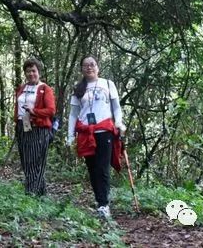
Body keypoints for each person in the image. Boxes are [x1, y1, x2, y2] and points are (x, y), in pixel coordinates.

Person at [67, 55, 126, 219]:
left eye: (92, 64)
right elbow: (73, 114)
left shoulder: (107, 84)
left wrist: (119, 123)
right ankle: (99, 199)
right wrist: (70, 135)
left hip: (104, 130)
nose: (89, 67)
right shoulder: (78, 87)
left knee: (102, 167)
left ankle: (104, 203)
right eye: (85, 65)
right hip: (86, 133)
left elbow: (116, 108)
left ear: (98, 67)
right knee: (92, 168)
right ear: (81, 69)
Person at [14, 58, 56, 196]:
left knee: (35, 162)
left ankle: (31, 194)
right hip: (23, 127)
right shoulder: (22, 88)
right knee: (26, 162)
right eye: (28, 71)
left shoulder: (45, 89)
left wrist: (34, 111)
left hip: (38, 128)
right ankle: (42, 195)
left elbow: (51, 110)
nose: (31, 74)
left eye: (34, 71)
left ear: (39, 72)